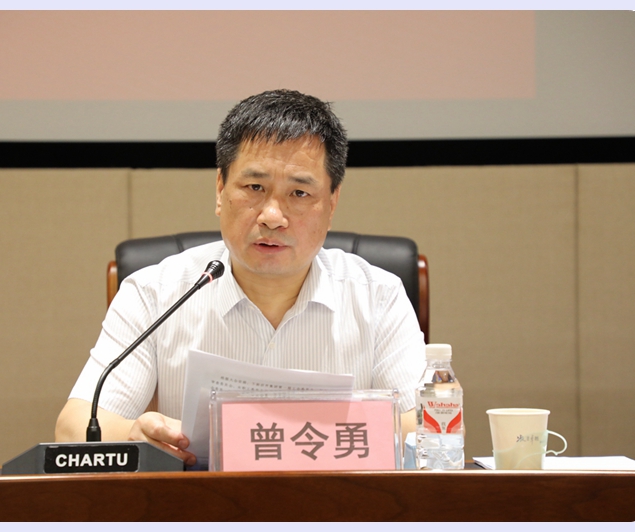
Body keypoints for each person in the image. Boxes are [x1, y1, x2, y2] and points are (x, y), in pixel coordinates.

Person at [54, 89, 425, 465]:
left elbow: (426, 427)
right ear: (220, 190)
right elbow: (74, 428)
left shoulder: (378, 297)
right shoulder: (154, 293)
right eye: (254, 188)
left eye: (299, 193)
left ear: (332, 203)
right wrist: (136, 437)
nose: (272, 216)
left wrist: (262, 439)